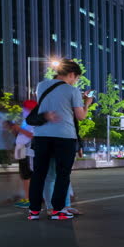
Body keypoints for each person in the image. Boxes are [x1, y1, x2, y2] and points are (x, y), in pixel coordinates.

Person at [27, 59, 92, 220]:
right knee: (62, 174)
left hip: (41, 135)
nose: (75, 81)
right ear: (71, 74)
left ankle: (34, 211)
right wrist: (87, 103)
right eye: (76, 78)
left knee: (39, 174)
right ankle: (58, 211)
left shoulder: (41, 86)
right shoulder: (72, 91)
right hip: (64, 136)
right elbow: (81, 116)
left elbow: (52, 102)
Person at [12, 99, 37, 208]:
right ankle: (28, 197)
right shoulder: (27, 120)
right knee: (25, 175)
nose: (24, 110)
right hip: (23, 150)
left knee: (28, 175)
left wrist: (19, 129)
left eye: (26, 108)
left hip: (28, 151)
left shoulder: (34, 120)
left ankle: (29, 199)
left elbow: (33, 135)